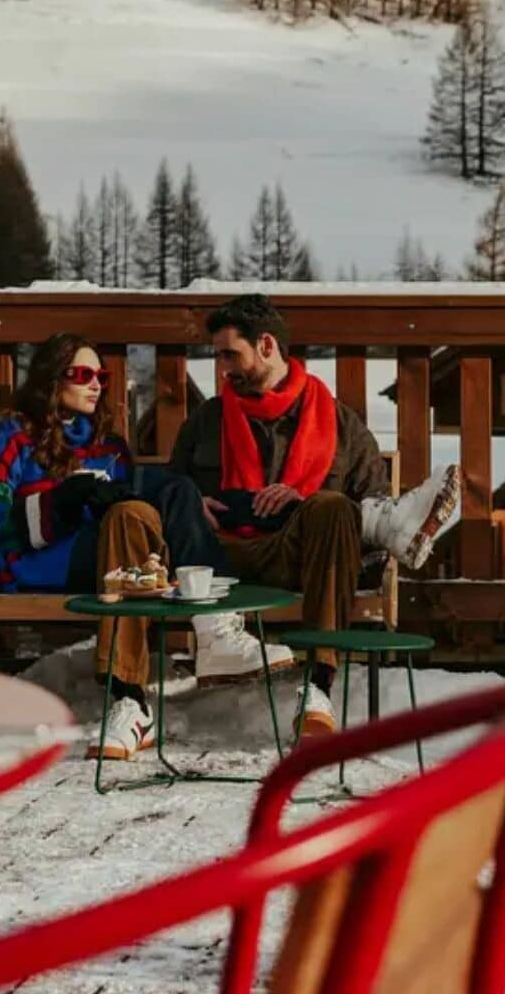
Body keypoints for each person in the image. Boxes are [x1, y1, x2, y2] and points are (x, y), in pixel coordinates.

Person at [0, 333, 293, 762]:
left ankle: (133, 701)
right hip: (40, 562)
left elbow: (132, 516)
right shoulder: (12, 436)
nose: (95, 384)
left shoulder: (108, 443)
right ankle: (213, 630)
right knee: (167, 494)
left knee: (142, 511)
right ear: (51, 380)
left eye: (100, 375)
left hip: (113, 562)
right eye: (82, 374)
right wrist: (61, 502)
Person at [168, 293, 461, 738]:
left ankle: (318, 684)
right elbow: (170, 487)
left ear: (266, 345)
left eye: (231, 354)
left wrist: (304, 504)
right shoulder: (207, 421)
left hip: (303, 561)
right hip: (221, 560)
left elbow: (368, 505)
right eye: (218, 356)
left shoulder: (342, 426)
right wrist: (191, 502)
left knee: (331, 506)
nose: (222, 368)